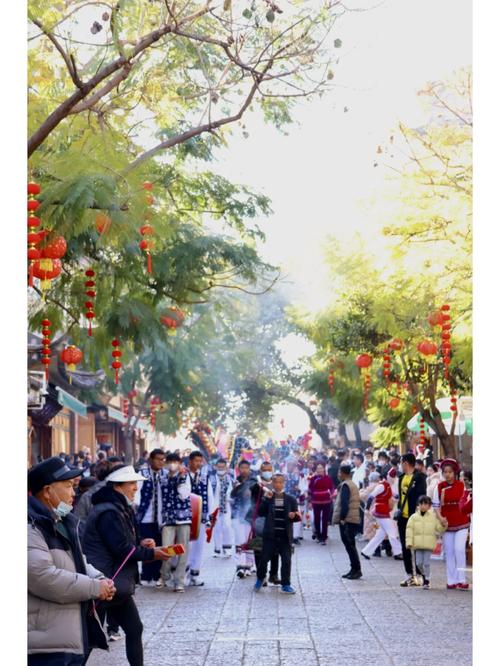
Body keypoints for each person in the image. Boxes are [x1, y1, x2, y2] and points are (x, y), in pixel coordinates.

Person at [28, 457, 116, 665]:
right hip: (43, 646)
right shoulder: (30, 526)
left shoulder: (61, 521)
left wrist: (101, 579)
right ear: (48, 492)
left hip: (65, 637)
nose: (73, 493)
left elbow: (78, 561)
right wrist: (95, 587)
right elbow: (42, 577)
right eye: (68, 486)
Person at [83, 465, 171, 665]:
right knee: (87, 637)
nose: (135, 488)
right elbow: (121, 549)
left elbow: (123, 543)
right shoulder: (108, 512)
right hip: (104, 580)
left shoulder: (119, 507)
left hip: (115, 580)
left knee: (134, 628)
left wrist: (141, 544)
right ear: (117, 486)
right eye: (131, 483)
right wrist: (152, 553)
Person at [254, 473, 301, 594]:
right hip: (270, 535)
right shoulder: (269, 497)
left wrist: (293, 515)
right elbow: (261, 512)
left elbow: (297, 516)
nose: (278, 484)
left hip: (285, 536)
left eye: (281, 482)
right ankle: (260, 579)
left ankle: (286, 584)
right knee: (264, 559)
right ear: (272, 483)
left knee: (286, 560)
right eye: (276, 482)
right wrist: (266, 499)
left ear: (284, 483)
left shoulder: (291, 499)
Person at [433, 459, 470, 590]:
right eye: (445, 472)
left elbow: (468, 502)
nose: (448, 474)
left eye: (450, 472)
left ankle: (462, 579)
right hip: (446, 523)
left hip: (462, 521)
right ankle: (451, 580)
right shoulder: (439, 486)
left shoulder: (462, 485)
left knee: (459, 549)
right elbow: (436, 506)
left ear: (455, 472)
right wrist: (441, 517)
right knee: (449, 552)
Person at [158, 452, 192, 592]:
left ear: (179, 463)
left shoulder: (185, 476)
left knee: (182, 550)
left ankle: (179, 581)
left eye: (175, 462)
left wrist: (181, 479)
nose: (172, 465)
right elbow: (160, 498)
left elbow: (184, 495)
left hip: (183, 518)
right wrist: (160, 520)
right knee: (167, 549)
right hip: (168, 518)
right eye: (170, 461)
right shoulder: (162, 478)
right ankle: (164, 576)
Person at [135, 448, 166, 586]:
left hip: (161, 519)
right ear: (151, 460)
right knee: (148, 547)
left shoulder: (166, 474)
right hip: (145, 518)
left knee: (159, 545)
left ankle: (157, 574)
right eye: (158, 459)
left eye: (163, 459)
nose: (161, 462)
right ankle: (146, 575)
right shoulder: (142, 474)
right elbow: (136, 494)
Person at [397, 453, 428, 587]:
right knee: (405, 546)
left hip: (414, 517)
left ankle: (420, 575)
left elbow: (422, 497)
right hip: (402, 517)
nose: (400, 465)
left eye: (401, 462)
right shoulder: (401, 477)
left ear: (405, 462)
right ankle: (409, 574)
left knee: (416, 546)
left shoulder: (419, 478)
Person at [186, 451, 215, 586]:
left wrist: (208, 515)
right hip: (185, 517)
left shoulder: (205, 477)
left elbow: (209, 497)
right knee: (186, 546)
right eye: (196, 460)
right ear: (190, 461)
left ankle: (195, 574)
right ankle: (182, 573)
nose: (198, 463)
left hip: (200, 518)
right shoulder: (183, 475)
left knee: (198, 546)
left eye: (200, 461)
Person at [405, 495, 447, 589]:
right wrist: (409, 542)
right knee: (418, 563)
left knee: (426, 563)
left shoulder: (433, 517)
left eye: (426, 504)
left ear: (429, 506)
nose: (423, 506)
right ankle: (424, 576)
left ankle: (427, 580)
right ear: (418, 505)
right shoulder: (413, 517)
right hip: (418, 544)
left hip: (428, 544)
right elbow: (409, 530)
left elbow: (439, 528)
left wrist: (444, 525)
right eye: (421, 503)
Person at [360, 472, 403, 561]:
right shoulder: (381, 486)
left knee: (380, 535)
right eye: (391, 477)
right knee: (392, 533)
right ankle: (398, 553)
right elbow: (371, 497)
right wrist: (367, 509)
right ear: (387, 477)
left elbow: (394, 495)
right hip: (381, 512)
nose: (393, 479)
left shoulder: (387, 486)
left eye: (394, 477)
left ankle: (366, 551)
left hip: (383, 511)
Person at [332, 464, 362, 579]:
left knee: (350, 545)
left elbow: (344, 504)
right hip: (351, 518)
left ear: (343, 473)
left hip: (348, 520)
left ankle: (356, 570)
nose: (338, 475)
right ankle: (354, 569)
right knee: (351, 545)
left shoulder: (345, 485)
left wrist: (342, 518)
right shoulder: (351, 484)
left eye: (339, 472)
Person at [231, 460, 258, 578]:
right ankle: (240, 566)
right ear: (239, 468)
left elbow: (258, 497)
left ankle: (249, 565)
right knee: (239, 541)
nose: (244, 470)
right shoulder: (235, 481)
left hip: (250, 516)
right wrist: (236, 488)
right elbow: (231, 496)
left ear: (249, 469)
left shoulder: (254, 482)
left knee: (249, 542)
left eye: (246, 468)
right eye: (242, 468)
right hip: (237, 514)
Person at [210, 459, 234, 557]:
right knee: (216, 528)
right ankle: (217, 549)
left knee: (227, 527)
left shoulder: (230, 478)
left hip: (226, 507)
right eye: (219, 467)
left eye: (222, 467)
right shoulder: (211, 478)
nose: (220, 469)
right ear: (215, 467)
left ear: (226, 468)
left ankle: (227, 548)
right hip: (215, 507)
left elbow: (232, 492)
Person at [308, 462, 334, 545]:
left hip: (326, 501)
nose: (319, 470)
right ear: (316, 469)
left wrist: (332, 495)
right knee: (317, 518)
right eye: (318, 468)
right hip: (316, 501)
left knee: (325, 519)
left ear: (324, 469)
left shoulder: (328, 478)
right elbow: (310, 490)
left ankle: (324, 536)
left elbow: (332, 488)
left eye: (321, 468)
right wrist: (310, 501)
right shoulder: (313, 479)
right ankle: (318, 535)